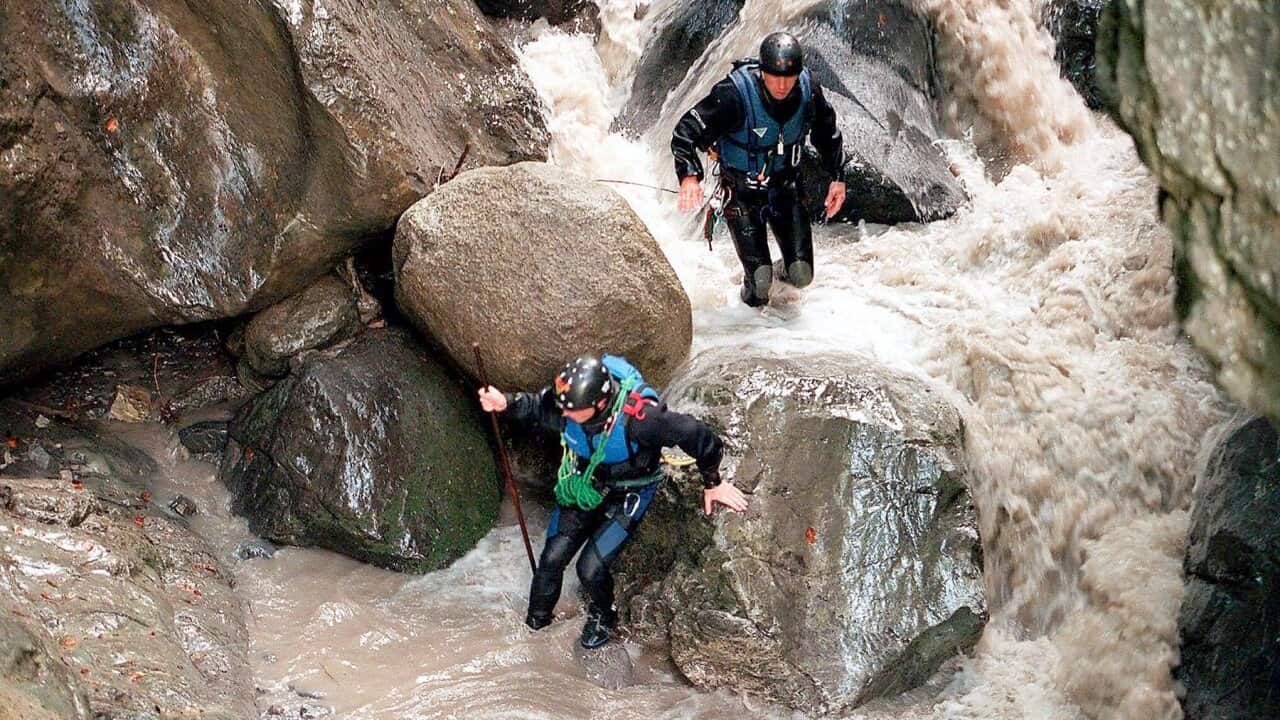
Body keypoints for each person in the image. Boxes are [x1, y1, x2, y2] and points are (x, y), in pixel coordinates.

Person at [477, 354, 748, 649]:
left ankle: (604, 615)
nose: (563, 414)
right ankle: (535, 627)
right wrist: (505, 402)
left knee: (589, 569)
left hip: (631, 491)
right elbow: (537, 407)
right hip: (586, 480)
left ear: (599, 404)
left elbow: (696, 434)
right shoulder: (568, 404)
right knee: (551, 560)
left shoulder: (643, 421)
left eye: (572, 410)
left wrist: (713, 483)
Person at [672, 31, 847, 307]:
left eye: (789, 77)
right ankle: (749, 308)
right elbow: (685, 132)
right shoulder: (733, 94)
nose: (782, 85)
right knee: (760, 285)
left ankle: (773, 278)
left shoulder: (808, 90)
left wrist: (838, 177)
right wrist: (689, 177)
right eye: (775, 77)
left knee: (801, 275)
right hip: (742, 194)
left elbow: (827, 133)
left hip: (785, 189)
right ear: (763, 72)